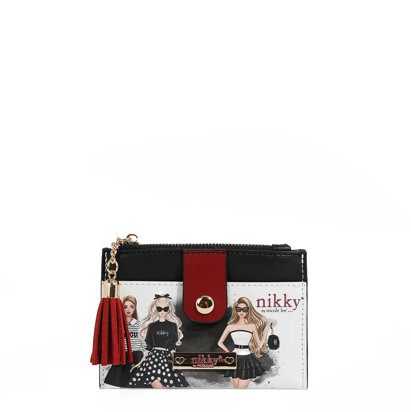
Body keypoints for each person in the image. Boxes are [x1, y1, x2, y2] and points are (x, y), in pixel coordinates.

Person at [128, 294, 189, 388]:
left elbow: (173, 347)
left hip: (167, 358)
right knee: (153, 381)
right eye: (159, 309)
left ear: (169, 309)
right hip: (153, 359)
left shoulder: (172, 326)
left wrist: (176, 358)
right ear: (155, 309)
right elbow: (149, 347)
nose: (162, 311)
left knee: (168, 384)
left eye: (165, 309)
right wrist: (140, 363)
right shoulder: (151, 326)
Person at [218, 296, 276, 388]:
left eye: (244, 309)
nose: (241, 312)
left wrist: (266, 330)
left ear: (248, 310)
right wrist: (229, 354)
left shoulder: (252, 326)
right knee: (236, 389)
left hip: (247, 359)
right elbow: (220, 343)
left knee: (241, 389)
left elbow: (259, 344)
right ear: (235, 310)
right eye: (239, 309)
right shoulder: (230, 326)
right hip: (234, 358)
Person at [104, 295, 146, 387]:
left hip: (136, 357)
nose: (128, 309)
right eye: (125, 307)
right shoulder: (118, 325)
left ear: (134, 309)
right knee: (123, 386)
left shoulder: (140, 325)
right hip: (122, 357)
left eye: (131, 307)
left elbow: (145, 344)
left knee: (137, 386)